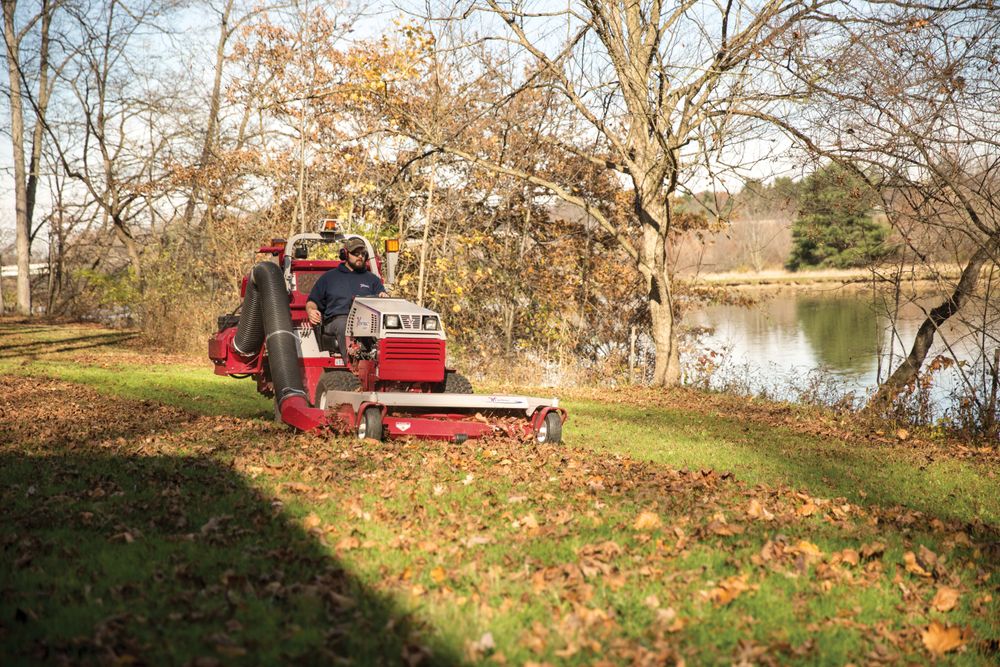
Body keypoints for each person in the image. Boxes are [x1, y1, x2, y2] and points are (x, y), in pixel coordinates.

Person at [305, 237, 387, 366]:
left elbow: (383, 299)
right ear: (345, 254)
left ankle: (383, 368)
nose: (360, 256)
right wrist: (311, 311)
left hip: (367, 321)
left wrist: (383, 297)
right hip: (337, 321)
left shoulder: (373, 280)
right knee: (346, 325)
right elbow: (312, 301)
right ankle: (353, 369)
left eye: (363, 253)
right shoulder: (329, 278)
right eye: (356, 253)